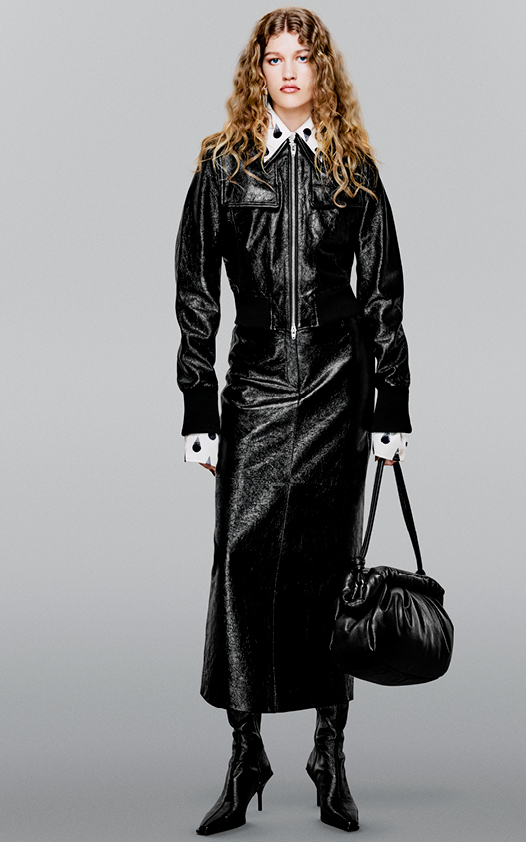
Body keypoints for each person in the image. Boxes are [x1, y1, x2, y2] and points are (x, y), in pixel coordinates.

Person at [175, 7, 412, 835]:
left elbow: (382, 292)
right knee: (240, 561)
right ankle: (246, 755)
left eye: (300, 58)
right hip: (256, 383)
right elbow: (196, 292)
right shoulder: (222, 166)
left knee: (329, 568)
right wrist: (196, 403)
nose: (286, 72)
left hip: (339, 384)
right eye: (272, 59)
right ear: (257, 72)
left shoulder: (353, 167)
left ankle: (328, 754)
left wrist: (391, 401)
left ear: (321, 71)